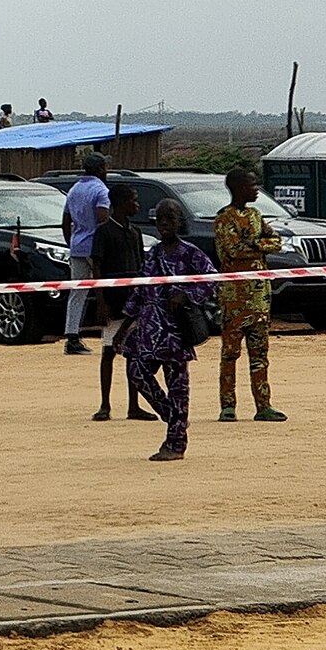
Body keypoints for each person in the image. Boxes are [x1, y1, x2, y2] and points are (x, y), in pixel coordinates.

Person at [121, 199, 210, 462]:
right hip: (149, 331)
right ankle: (173, 417)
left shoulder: (190, 253)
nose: (164, 224)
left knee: (178, 388)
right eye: (159, 219)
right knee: (136, 372)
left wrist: (185, 294)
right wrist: (124, 326)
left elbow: (211, 280)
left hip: (175, 333)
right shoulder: (153, 253)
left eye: (169, 218)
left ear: (179, 221)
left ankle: (175, 443)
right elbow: (140, 289)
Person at [214, 166, 285, 421]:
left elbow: (276, 242)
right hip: (234, 298)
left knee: (260, 355)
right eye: (252, 185)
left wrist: (254, 244)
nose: (256, 189)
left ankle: (263, 405)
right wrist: (259, 246)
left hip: (259, 298)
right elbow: (233, 251)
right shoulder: (224, 218)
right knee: (230, 354)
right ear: (238, 187)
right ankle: (228, 406)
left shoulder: (255, 215)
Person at [89, 182, 153, 422]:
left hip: (133, 301)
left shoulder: (135, 232)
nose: (137, 204)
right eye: (133, 200)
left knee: (134, 354)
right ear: (120, 203)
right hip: (113, 301)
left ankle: (133, 405)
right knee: (108, 351)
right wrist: (101, 301)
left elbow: (141, 266)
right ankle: (104, 404)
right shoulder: (104, 232)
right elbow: (97, 266)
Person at [58, 153, 111, 355]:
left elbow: (66, 221)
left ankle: (72, 336)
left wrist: (71, 243)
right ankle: (112, 335)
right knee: (107, 289)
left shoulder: (74, 189)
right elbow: (103, 219)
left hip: (77, 247)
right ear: (100, 169)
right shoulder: (101, 190)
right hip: (96, 249)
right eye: (105, 167)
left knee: (77, 293)